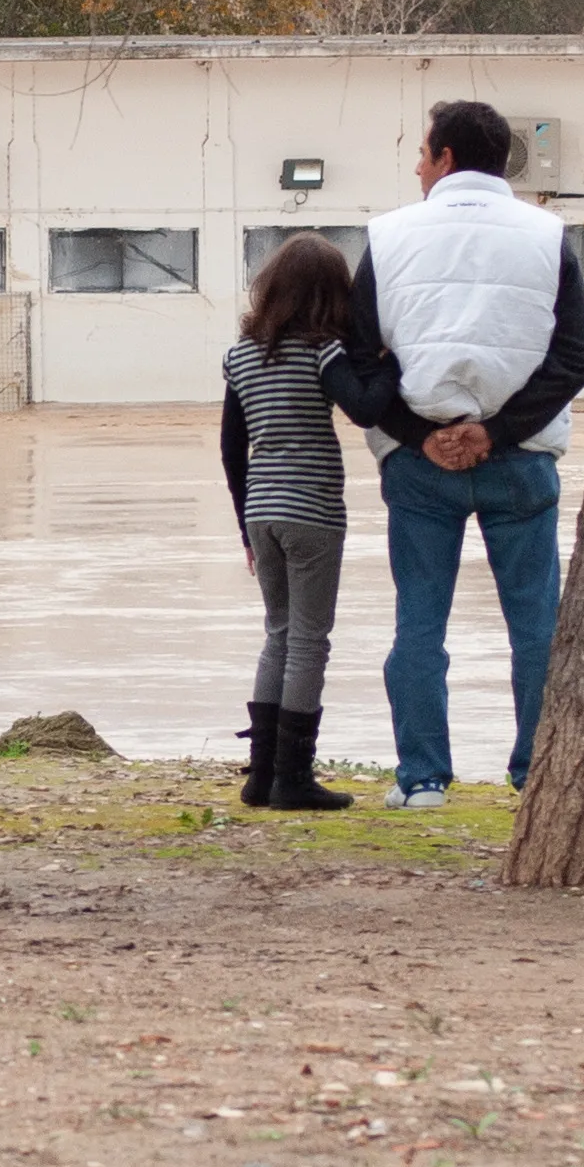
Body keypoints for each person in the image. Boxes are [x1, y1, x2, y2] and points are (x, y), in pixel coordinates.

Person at [326, 98, 584, 806]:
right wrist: (494, 433)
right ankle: (537, 773)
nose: (416, 165)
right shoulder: (549, 236)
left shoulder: (386, 237)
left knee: (419, 623)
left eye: (421, 152)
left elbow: (361, 358)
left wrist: (424, 437)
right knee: (537, 627)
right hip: (522, 457)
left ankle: (422, 779)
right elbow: (572, 362)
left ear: (444, 158)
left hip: (419, 464)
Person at [220, 232, 356, 813]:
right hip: (313, 511)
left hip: (260, 513)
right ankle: (294, 779)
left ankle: (261, 777)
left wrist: (244, 521)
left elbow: (232, 448)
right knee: (309, 642)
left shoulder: (241, 356)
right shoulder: (323, 353)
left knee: (277, 634)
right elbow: (365, 406)